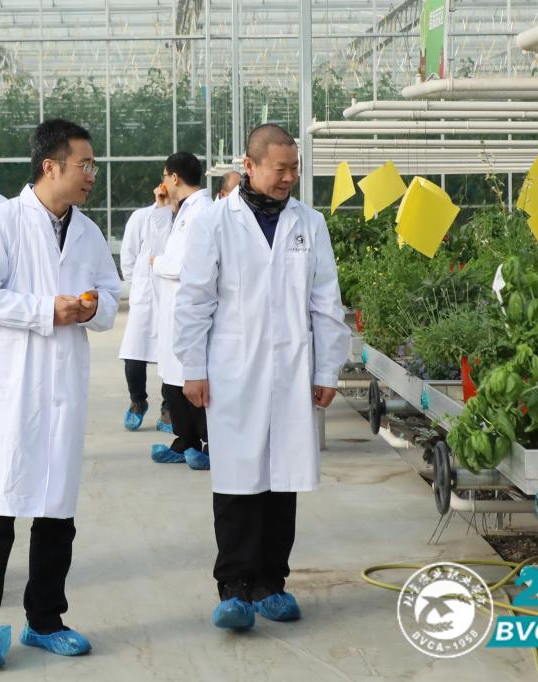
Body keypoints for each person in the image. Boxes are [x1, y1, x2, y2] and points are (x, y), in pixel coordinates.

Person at [0, 119, 121, 669]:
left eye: (93, 165)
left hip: (62, 389)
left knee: (56, 515)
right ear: (51, 166)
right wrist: (44, 309)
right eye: (84, 165)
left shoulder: (87, 232)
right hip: (9, 390)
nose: (91, 174)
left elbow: (112, 292)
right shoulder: (1, 222)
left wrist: (92, 309)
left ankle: (45, 620)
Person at [174, 124, 350, 630]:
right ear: (249, 166)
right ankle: (234, 587)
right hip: (234, 368)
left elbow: (326, 301)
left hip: (292, 369)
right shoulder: (214, 221)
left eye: (295, 168)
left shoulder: (308, 223)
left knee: (282, 481)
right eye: (280, 169)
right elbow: (195, 299)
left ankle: (272, 583)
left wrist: (328, 368)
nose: (289, 177)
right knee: (237, 480)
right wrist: (192, 367)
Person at [150, 152, 213, 470]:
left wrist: (158, 264)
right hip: (173, 307)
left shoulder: (202, 212)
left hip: (189, 307)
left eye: (164, 176)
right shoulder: (184, 210)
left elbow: (186, 264)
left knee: (191, 377)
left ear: (174, 177)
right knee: (173, 378)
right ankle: (185, 440)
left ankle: (208, 444)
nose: (162, 183)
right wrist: (163, 209)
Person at [118, 188, 173, 432]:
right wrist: (139, 285)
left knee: (170, 357)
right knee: (134, 356)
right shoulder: (140, 217)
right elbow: (128, 257)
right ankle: (138, 401)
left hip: (170, 296)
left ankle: (168, 409)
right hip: (144, 296)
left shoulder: (182, 219)